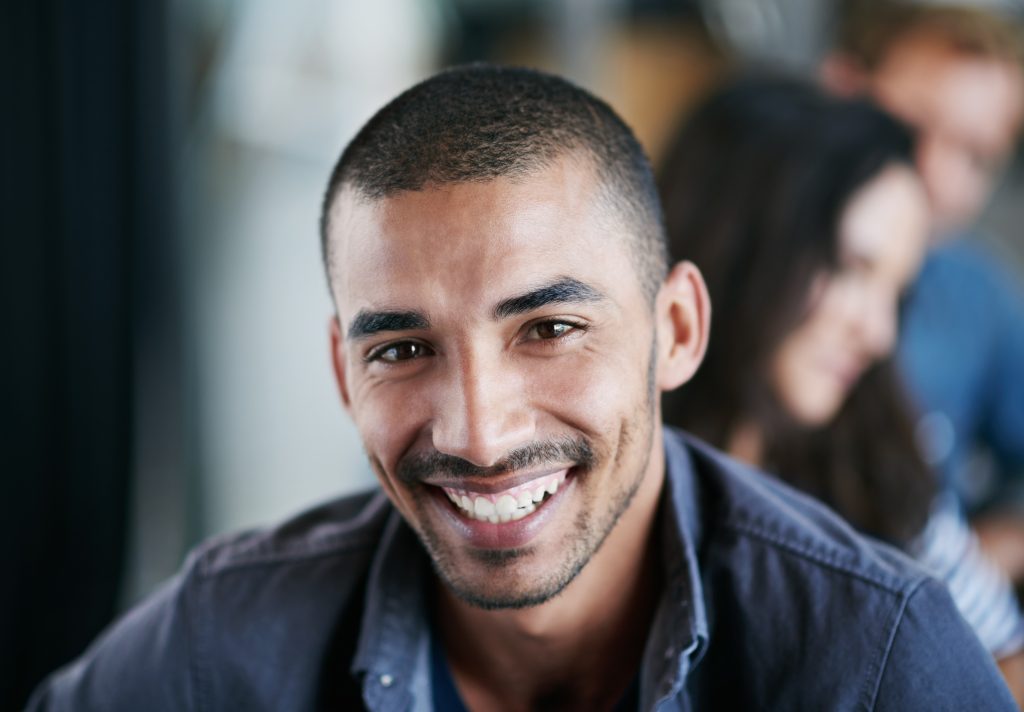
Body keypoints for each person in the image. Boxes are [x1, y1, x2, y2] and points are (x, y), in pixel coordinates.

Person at [29, 64, 1016, 711]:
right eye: (401, 350)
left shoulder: (875, 657)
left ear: (675, 332)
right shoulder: (226, 643)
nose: (480, 432)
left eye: (548, 330)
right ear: (343, 372)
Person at [659, 73, 1024, 703]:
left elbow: (1003, 657)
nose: (878, 333)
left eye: (896, 292)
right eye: (853, 268)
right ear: (747, 242)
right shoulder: (617, 470)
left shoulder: (877, 465)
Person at [823, 0, 1024, 579]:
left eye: (975, 155)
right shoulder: (772, 276)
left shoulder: (978, 295)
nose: (937, 173)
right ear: (842, 91)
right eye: (911, 130)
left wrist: (988, 557)